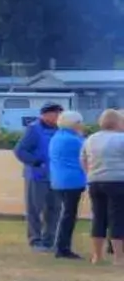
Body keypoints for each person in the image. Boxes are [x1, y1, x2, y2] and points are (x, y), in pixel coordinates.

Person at [16, 103, 65, 250]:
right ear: (45, 114)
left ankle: (49, 239)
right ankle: (35, 239)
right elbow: (20, 150)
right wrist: (36, 162)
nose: (58, 117)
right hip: (37, 175)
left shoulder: (61, 130)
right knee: (34, 209)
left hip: (56, 176)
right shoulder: (34, 129)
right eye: (56, 114)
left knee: (54, 208)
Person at [83, 110, 124, 266]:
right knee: (117, 218)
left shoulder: (91, 139)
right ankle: (119, 257)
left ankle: (97, 256)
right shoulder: (121, 139)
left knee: (99, 217)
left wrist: (91, 174)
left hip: (95, 181)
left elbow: (84, 159)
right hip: (118, 181)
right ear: (118, 122)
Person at [48, 111, 87, 260]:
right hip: (72, 181)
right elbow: (88, 150)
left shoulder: (57, 137)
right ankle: (63, 247)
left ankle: (61, 246)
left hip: (59, 180)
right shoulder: (74, 140)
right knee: (69, 215)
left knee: (66, 214)